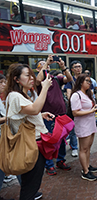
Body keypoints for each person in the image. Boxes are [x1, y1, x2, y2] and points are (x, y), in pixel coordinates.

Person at [5, 63, 54, 199]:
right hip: (30, 145)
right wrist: (44, 88)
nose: (32, 78)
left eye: (32, 75)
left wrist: (41, 115)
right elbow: (33, 109)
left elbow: (28, 112)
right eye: (27, 75)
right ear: (16, 79)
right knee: (30, 185)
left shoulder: (22, 95)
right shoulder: (15, 96)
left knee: (32, 182)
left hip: (33, 142)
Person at [35, 55, 73, 176]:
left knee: (61, 140)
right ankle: (49, 165)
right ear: (37, 69)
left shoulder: (56, 79)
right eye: (41, 66)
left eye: (46, 65)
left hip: (61, 115)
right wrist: (46, 63)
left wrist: (63, 67)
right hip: (48, 116)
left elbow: (70, 78)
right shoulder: (40, 82)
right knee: (49, 140)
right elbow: (38, 79)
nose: (46, 66)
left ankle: (61, 160)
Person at [70, 74, 97, 181]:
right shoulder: (76, 95)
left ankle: (87, 166)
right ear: (81, 82)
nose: (89, 83)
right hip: (83, 125)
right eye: (87, 81)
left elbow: (88, 107)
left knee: (88, 147)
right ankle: (85, 171)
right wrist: (91, 111)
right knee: (83, 148)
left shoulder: (87, 94)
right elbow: (75, 112)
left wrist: (96, 106)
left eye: (90, 81)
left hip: (90, 123)